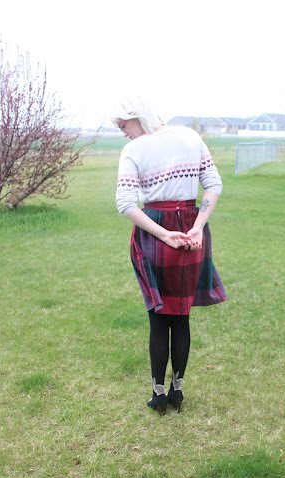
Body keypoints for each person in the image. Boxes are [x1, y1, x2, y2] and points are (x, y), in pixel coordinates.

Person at [111, 96, 226, 414]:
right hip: (190, 228)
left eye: (123, 124)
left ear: (138, 116)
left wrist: (162, 235)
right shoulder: (190, 136)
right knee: (181, 316)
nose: (123, 132)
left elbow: (125, 203)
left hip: (155, 230)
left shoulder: (134, 150)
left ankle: (158, 394)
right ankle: (176, 391)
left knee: (159, 318)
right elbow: (213, 185)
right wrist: (198, 227)